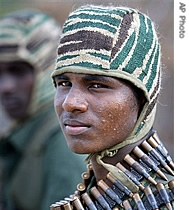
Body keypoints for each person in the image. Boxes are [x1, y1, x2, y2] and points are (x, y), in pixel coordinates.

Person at [50, 4, 174, 210]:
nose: (70, 103)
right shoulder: (94, 187)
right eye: (64, 83)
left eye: (97, 85)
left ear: (143, 97)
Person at [0, 9, 86, 210]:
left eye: (18, 71)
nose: (5, 87)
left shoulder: (65, 142)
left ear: (47, 69)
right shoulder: (26, 135)